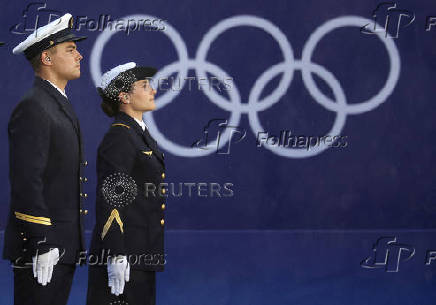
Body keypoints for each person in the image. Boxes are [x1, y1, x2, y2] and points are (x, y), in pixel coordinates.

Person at [3, 13, 88, 305]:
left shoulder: (55, 104)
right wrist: (42, 240)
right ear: (47, 58)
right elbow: (27, 182)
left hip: (59, 245)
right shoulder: (34, 108)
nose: (79, 55)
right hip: (41, 246)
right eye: (69, 49)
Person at [87, 62, 166, 305]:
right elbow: (112, 198)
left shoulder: (138, 134)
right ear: (124, 96)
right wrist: (115, 253)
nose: (152, 90)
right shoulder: (121, 136)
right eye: (144, 85)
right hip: (125, 254)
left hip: (141, 254)